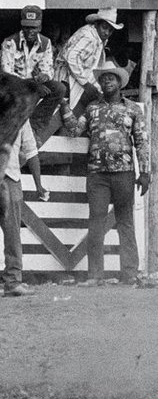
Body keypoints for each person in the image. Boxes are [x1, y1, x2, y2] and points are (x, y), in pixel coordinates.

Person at [59, 60, 150, 286]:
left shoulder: (133, 109)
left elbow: (141, 141)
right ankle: (95, 275)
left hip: (124, 173)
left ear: (119, 82)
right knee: (96, 221)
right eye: (104, 78)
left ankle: (129, 273)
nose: (107, 81)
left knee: (125, 222)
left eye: (111, 78)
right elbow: (74, 129)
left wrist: (145, 172)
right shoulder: (92, 109)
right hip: (97, 174)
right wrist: (63, 104)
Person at [0, 120, 47, 299]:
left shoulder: (21, 117)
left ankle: (13, 282)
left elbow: (31, 151)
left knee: (13, 233)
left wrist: (38, 185)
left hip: (11, 179)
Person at [0, 4, 66, 147]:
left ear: (40, 27)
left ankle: (34, 126)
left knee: (59, 88)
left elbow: (48, 69)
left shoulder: (46, 43)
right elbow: (7, 74)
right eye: (27, 27)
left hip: (34, 84)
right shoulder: (10, 42)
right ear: (22, 26)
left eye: (34, 27)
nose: (30, 31)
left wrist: (44, 76)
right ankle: (22, 129)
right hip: (14, 86)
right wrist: (32, 84)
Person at [53, 8, 123, 117]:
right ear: (97, 24)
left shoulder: (99, 38)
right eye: (104, 28)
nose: (107, 33)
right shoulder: (88, 36)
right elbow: (71, 57)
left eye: (110, 30)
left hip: (79, 77)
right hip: (66, 78)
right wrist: (85, 84)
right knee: (64, 111)